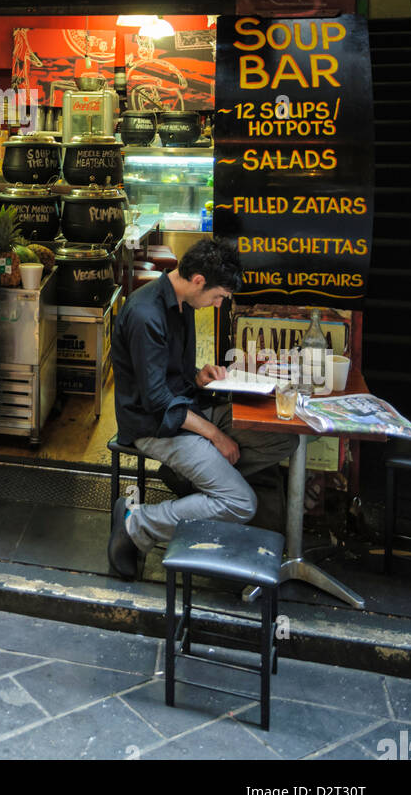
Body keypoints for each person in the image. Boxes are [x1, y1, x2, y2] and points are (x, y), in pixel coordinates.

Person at [107, 238, 298, 580]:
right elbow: (158, 402)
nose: (217, 304)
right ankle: (138, 522)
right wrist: (215, 436)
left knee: (284, 439)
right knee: (241, 503)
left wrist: (198, 377)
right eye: (218, 297)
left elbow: (173, 375)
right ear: (198, 281)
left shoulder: (184, 304)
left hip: (189, 409)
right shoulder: (144, 314)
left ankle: (196, 482)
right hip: (156, 426)